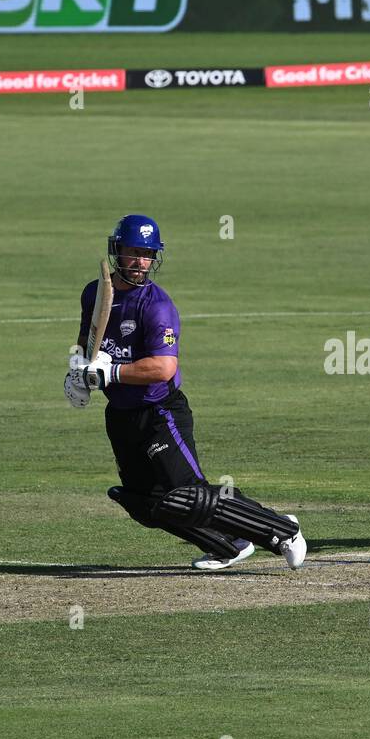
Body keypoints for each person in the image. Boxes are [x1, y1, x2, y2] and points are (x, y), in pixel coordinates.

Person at [65, 214, 307, 570]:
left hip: (160, 412)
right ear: (117, 251)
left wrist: (108, 373)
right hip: (120, 415)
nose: (140, 262)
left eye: (148, 254)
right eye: (133, 252)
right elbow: (88, 343)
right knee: (144, 503)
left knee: (188, 494)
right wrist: (78, 374)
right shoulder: (95, 293)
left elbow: (164, 368)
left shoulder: (157, 305)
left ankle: (282, 529)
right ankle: (230, 544)